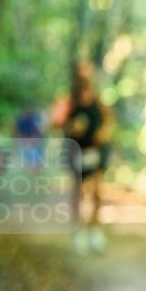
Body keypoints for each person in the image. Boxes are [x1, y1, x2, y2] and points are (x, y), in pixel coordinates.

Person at [52, 60, 115, 254]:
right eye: (81, 73)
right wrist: (71, 127)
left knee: (97, 192)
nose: (85, 77)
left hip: (95, 151)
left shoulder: (97, 99)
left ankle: (95, 232)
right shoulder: (68, 99)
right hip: (76, 151)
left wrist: (104, 132)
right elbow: (55, 122)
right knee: (76, 193)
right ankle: (77, 232)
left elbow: (109, 120)